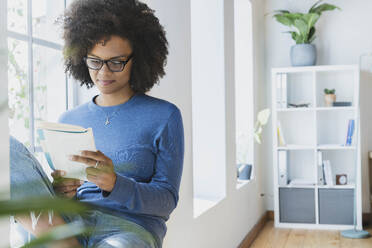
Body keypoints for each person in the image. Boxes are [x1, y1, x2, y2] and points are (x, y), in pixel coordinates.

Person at [10, 0, 184, 247]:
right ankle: (65, 240)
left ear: (139, 59)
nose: (103, 72)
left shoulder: (164, 116)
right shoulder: (69, 120)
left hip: (128, 229)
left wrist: (115, 184)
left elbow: (166, 200)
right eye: (95, 61)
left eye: (116, 62)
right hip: (70, 222)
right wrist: (63, 191)